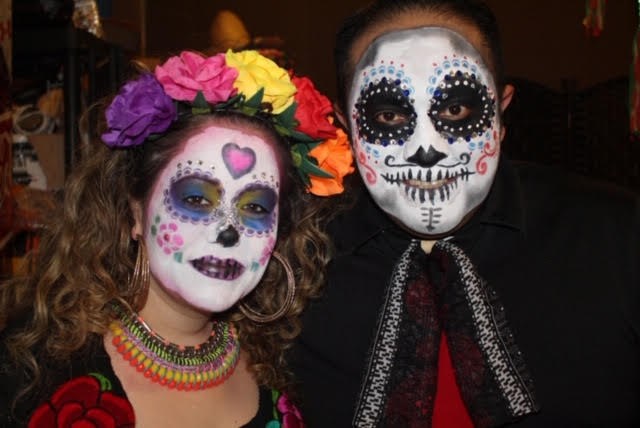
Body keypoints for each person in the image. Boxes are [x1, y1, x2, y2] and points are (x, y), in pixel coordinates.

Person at [291, 0, 640, 426]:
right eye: (388, 115)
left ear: (501, 111)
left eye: (455, 110)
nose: (426, 150)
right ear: (348, 126)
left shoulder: (616, 238)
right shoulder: (295, 261)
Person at [0, 49, 354, 426]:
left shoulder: (292, 366)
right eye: (197, 199)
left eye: (255, 208)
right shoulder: (32, 371)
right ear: (134, 213)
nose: (228, 232)